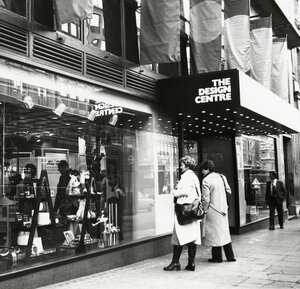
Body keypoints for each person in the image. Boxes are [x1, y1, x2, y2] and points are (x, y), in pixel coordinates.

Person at [163, 156, 201, 272]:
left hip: (184, 211)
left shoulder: (187, 177)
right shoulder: (193, 176)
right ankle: (191, 263)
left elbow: (185, 191)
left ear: (187, 166)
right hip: (192, 212)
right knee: (192, 238)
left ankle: (175, 263)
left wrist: (174, 192)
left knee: (177, 236)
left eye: (182, 165)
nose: (180, 167)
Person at [199, 159, 236, 263]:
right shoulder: (221, 176)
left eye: (202, 169)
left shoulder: (206, 180)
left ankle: (217, 257)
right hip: (223, 209)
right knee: (224, 233)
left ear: (207, 169)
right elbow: (229, 190)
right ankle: (230, 256)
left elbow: (206, 199)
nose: (202, 172)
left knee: (215, 234)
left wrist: (204, 210)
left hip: (213, 210)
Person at [54, 160, 71, 226]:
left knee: (65, 224)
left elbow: (60, 193)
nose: (59, 171)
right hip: (74, 204)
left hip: (65, 204)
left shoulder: (63, 177)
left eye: (59, 169)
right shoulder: (73, 174)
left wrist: (55, 208)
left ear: (61, 168)